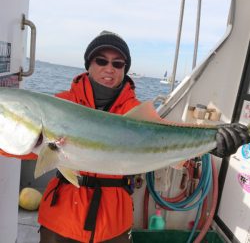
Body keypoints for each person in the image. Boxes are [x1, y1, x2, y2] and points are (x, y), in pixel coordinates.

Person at [0, 31, 249, 243]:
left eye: (118, 63)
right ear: (89, 64)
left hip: (113, 223)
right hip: (61, 219)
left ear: (124, 69)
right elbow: (14, 144)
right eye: (101, 60)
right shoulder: (62, 104)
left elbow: (173, 148)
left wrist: (213, 143)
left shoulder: (136, 115)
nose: (109, 68)